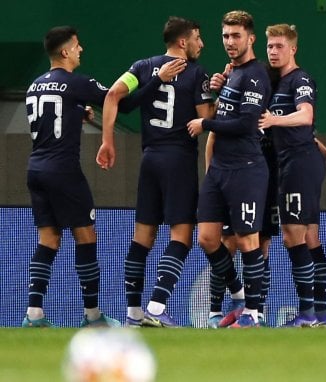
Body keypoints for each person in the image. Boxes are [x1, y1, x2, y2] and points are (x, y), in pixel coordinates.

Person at [22, 26, 170, 327]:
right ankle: (92, 316)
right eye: (76, 46)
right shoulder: (78, 83)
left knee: (48, 239)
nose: (81, 50)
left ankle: (33, 314)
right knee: (86, 237)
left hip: (36, 169)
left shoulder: (34, 86)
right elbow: (121, 101)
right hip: (64, 171)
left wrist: (79, 113)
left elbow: (53, 120)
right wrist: (157, 80)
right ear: (64, 51)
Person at [97, 16, 215, 327]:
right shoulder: (196, 73)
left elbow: (113, 97)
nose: (201, 44)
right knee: (182, 236)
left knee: (142, 238)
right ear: (182, 42)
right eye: (197, 38)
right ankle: (158, 306)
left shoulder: (141, 66)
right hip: (178, 160)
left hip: (149, 158)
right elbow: (207, 119)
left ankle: (134, 313)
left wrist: (107, 141)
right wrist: (225, 90)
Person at [187, 10, 271, 328]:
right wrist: (216, 89)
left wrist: (205, 122)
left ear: (250, 37)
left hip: (246, 168)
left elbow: (248, 122)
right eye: (225, 36)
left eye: (236, 36)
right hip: (219, 169)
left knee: (248, 240)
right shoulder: (231, 74)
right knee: (207, 239)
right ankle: (238, 293)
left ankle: (252, 313)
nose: (229, 42)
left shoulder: (256, 74)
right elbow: (228, 110)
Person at [257, 23, 326, 327]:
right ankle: (320, 313)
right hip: (290, 162)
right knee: (306, 236)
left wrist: (274, 119)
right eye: (270, 46)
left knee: (292, 236)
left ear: (293, 48)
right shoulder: (276, 81)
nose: (273, 51)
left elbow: (306, 115)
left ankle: (308, 314)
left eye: (279, 46)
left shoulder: (299, 79)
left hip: (299, 163)